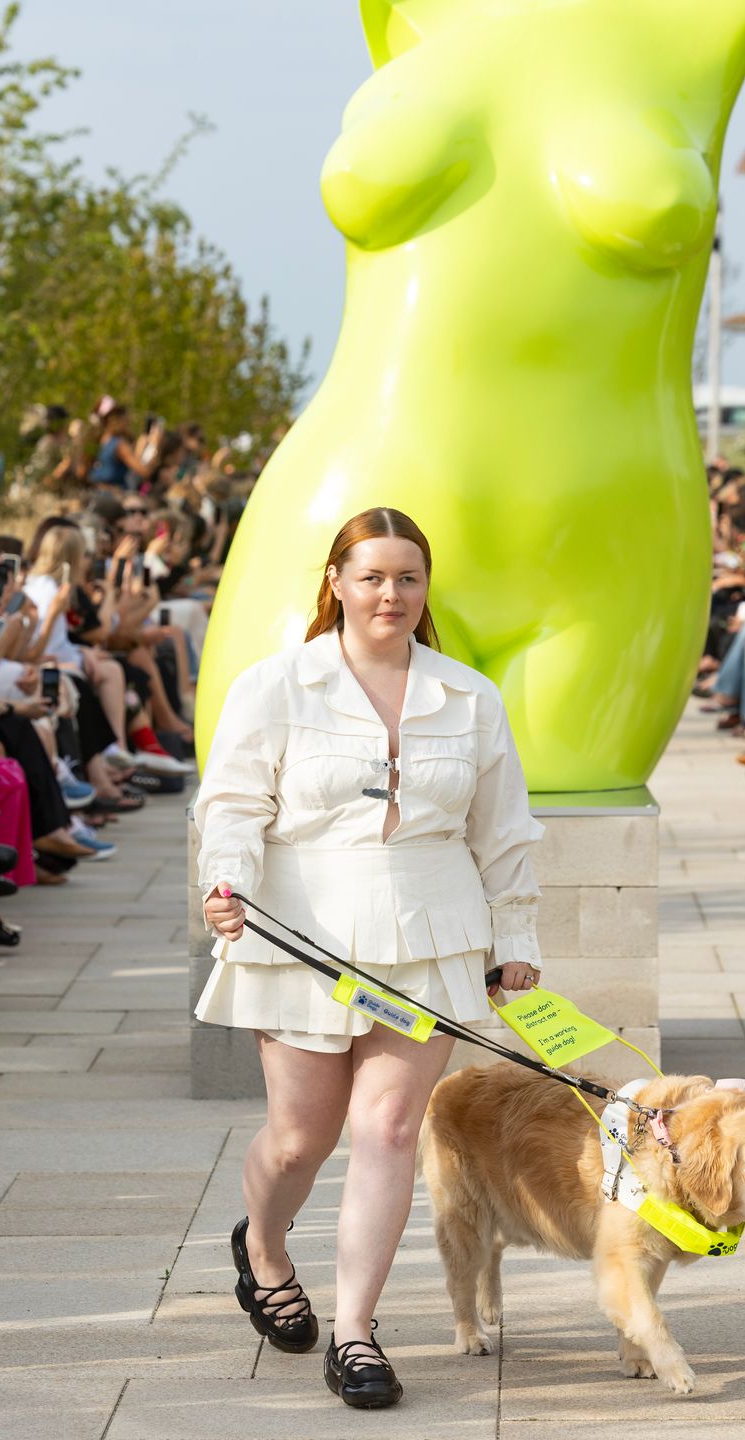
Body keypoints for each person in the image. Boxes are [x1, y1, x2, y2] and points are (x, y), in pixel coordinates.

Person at [195, 507, 543, 1409]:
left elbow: (504, 834)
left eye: (409, 577)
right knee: (302, 1138)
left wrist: (518, 943)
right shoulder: (275, 685)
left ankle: (357, 1332)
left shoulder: (470, 695)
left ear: (426, 590)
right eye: (374, 576)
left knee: (389, 1130)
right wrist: (225, 883)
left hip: (429, 932)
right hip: (302, 932)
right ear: (337, 583)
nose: (392, 594)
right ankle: (264, 1248)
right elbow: (231, 802)